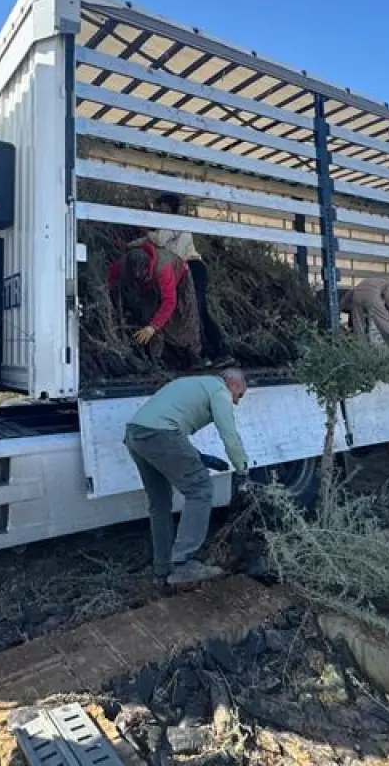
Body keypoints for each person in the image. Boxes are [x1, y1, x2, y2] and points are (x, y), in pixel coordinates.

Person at [124, 369, 249, 587]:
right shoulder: (220, 391)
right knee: (201, 489)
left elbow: (169, 423)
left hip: (135, 434)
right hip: (159, 434)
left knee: (160, 503)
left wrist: (200, 457)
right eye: (240, 395)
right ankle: (183, 562)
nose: (237, 402)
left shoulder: (198, 383)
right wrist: (242, 469)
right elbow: (229, 435)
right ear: (232, 384)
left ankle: (163, 571)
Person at [146, 194, 229, 364]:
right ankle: (213, 353)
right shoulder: (173, 226)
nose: (158, 209)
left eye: (160, 206)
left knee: (195, 311)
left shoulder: (173, 223)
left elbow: (159, 240)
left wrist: (147, 233)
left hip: (191, 267)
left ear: (168, 207)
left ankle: (213, 352)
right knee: (194, 311)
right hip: (187, 270)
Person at [107, 240, 202, 366]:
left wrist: (153, 327)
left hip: (180, 279)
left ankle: (195, 355)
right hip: (151, 286)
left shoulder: (163, 269)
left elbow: (169, 301)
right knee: (149, 315)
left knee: (187, 318)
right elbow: (110, 273)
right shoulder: (128, 263)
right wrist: (106, 288)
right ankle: (155, 358)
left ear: (147, 268)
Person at [341, 276, 389, 347]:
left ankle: (361, 348)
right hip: (371, 295)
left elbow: (351, 293)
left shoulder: (370, 280)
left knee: (359, 327)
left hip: (356, 296)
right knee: (384, 322)